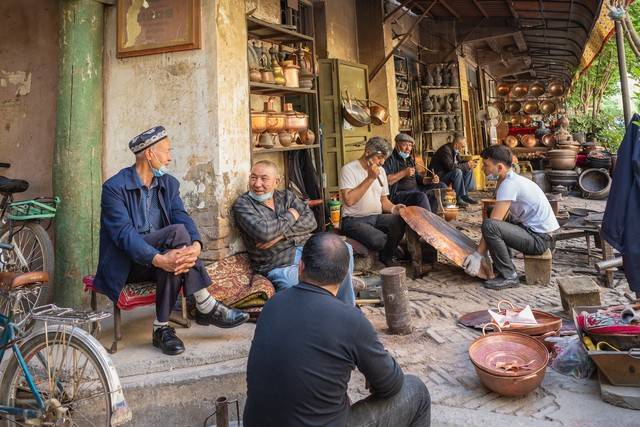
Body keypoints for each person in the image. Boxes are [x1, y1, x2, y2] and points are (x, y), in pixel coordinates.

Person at [244, 232, 431, 427]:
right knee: (416, 390)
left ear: (300, 267)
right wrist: (375, 364)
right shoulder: (351, 320)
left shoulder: (273, 304)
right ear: (344, 277)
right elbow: (392, 385)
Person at [94, 126, 249, 356]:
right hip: (127, 264)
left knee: (177, 248)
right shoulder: (115, 188)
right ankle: (205, 303)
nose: (169, 156)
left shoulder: (168, 184)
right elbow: (124, 236)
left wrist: (196, 246)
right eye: (166, 151)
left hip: (162, 259)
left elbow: (182, 217)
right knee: (175, 236)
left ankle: (162, 329)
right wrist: (158, 258)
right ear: (149, 154)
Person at [233, 160, 356, 305]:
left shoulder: (286, 196)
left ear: (276, 181)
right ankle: (322, 305)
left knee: (343, 250)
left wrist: (281, 235)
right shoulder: (243, 204)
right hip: (278, 262)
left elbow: (311, 221)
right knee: (293, 283)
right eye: (253, 178)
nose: (257, 184)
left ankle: (346, 307)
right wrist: (292, 215)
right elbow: (264, 233)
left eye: (264, 179)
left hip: (305, 249)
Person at [463, 144, 559, 290]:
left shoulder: (509, 184)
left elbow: (494, 223)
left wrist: (478, 255)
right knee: (492, 213)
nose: (483, 169)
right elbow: (500, 216)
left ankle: (509, 275)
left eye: (486, 165)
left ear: (500, 167)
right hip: (537, 233)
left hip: (541, 240)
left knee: (490, 225)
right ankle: (502, 263)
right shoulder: (507, 179)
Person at [339, 137, 407, 267]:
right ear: (368, 152)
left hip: (376, 217)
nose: (382, 162)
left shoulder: (381, 171)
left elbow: (383, 200)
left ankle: (386, 257)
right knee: (379, 239)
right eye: (379, 157)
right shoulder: (348, 169)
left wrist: (394, 208)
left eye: (384, 159)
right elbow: (349, 200)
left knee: (398, 221)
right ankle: (389, 248)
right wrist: (370, 178)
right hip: (353, 220)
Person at [383, 133, 447, 213]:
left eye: (410, 146)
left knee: (441, 186)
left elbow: (418, 178)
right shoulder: (390, 159)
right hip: (399, 194)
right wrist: (404, 173)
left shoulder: (409, 159)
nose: (408, 149)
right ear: (397, 145)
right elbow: (386, 181)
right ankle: (427, 221)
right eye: (405, 145)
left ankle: (432, 214)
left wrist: (430, 179)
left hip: (416, 189)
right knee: (421, 196)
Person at [428, 134, 477, 207]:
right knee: (457, 172)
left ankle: (464, 196)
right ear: (457, 144)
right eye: (463, 146)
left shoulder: (455, 150)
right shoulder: (445, 150)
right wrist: (467, 165)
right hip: (437, 177)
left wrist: (469, 163)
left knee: (468, 170)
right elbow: (450, 167)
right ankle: (458, 198)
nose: (463, 149)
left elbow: (459, 162)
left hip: (446, 173)